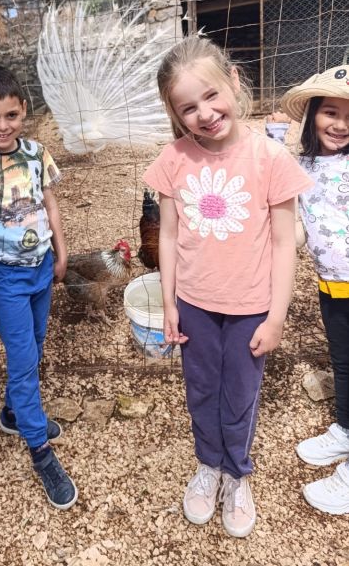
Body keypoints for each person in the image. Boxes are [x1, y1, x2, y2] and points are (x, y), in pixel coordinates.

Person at [144, 36, 312, 538]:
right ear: (175, 113)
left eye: (211, 95)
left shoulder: (271, 158)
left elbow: (284, 244)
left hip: (250, 308)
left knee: (239, 395)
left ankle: (237, 472)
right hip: (194, 305)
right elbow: (168, 235)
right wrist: (169, 303)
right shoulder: (173, 159)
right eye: (188, 107)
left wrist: (276, 317)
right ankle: (208, 465)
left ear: (234, 81)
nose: (205, 113)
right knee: (200, 392)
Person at [0, 65, 77, 510]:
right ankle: (40, 449)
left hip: (40, 267)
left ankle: (13, 414)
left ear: (24, 110)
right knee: (23, 362)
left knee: (34, 347)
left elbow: (49, 203)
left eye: (11, 115)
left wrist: (61, 251)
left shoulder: (37, 153)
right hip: (3, 277)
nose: (2, 126)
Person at [266, 64, 349, 514]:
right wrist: (274, 136)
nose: (340, 124)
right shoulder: (304, 166)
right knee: (343, 362)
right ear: (313, 114)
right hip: (333, 285)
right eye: (331, 112)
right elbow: (273, 173)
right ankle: (346, 430)